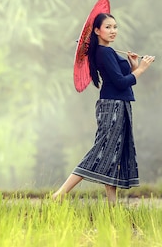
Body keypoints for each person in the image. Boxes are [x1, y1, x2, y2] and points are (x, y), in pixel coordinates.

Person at [52, 13, 155, 204]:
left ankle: (112, 206)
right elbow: (120, 82)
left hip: (119, 104)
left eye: (115, 27)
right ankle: (59, 194)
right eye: (108, 27)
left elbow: (122, 79)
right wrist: (142, 68)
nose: (113, 31)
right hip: (113, 106)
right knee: (101, 150)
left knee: (113, 154)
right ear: (97, 31)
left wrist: (133, 65)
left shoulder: (108, 51)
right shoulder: (104, 52)